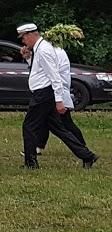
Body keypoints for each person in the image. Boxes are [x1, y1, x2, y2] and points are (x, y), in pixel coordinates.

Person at [17, 23, 97, 169]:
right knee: (58, 128)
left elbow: (54, 76)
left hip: (43, 94)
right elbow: (39, 71)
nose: (23, 41)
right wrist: (28, 58)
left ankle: (31, 163)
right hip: (45, 93)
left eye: (23, 38)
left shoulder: (44, 50)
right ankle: (87, 156)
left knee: (29, 126)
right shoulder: (40, 48)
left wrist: (59, 100)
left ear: (31, 35)